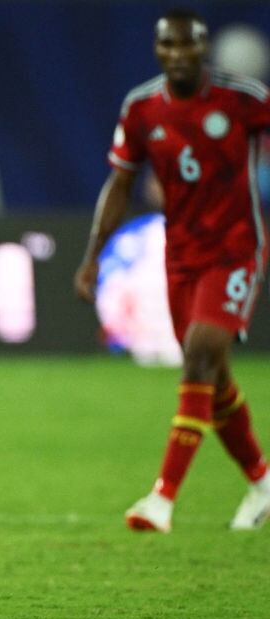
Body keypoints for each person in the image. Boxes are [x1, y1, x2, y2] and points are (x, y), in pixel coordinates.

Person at [74, 9, 270, 533]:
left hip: (236, 250)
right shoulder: (142, 109)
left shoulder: (244, 99)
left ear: (203, 49)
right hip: (180, 256)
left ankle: (162, 497)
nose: (178, 56)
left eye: (188, 47)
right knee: (213, 376)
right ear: (158, 52)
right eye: (169, 47)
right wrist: (93, 254)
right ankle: (262, 480)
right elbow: (119, 183)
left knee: (202, 357)